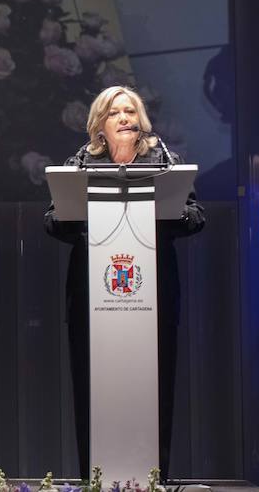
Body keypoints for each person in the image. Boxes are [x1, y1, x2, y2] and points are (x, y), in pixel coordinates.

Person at [45, 85, 205, 478]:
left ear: (140, 120)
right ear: (100, 123)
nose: (124, 118)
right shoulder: (80, 164)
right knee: (91, 390)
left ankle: (154, 479)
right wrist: (86, 225)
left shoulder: (164, 162)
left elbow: (195, 214)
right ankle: (94, 479)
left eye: (130, 111)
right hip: (90, 296)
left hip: (154, 295)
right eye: (115, 112)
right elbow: (52, 220)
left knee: (155, 386)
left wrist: (169, 216)